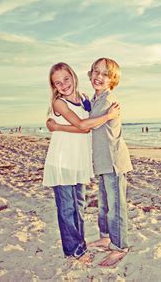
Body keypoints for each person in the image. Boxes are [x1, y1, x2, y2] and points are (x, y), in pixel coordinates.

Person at [48, 58, 132, 267]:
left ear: (113, 79)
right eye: (95, 71)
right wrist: (53, 124)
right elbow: (80, 119)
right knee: (104, 204)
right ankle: (105, 237)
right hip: (99, 161)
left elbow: (86, 124)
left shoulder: (105, 101)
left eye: (104, 74)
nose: (98, 76)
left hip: (113, 160)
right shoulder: (93, 99)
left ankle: (119, 246)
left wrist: (109, 114)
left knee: (115, 206)